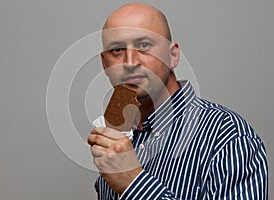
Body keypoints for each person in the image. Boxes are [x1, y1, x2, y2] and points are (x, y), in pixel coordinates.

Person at [87, 2, 268, 199]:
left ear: (173, 56)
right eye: (117, 50)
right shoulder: (114, 137)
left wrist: (134, 183)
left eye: (144, 45)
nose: (130, 62)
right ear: (105, 64)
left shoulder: (229, 139)